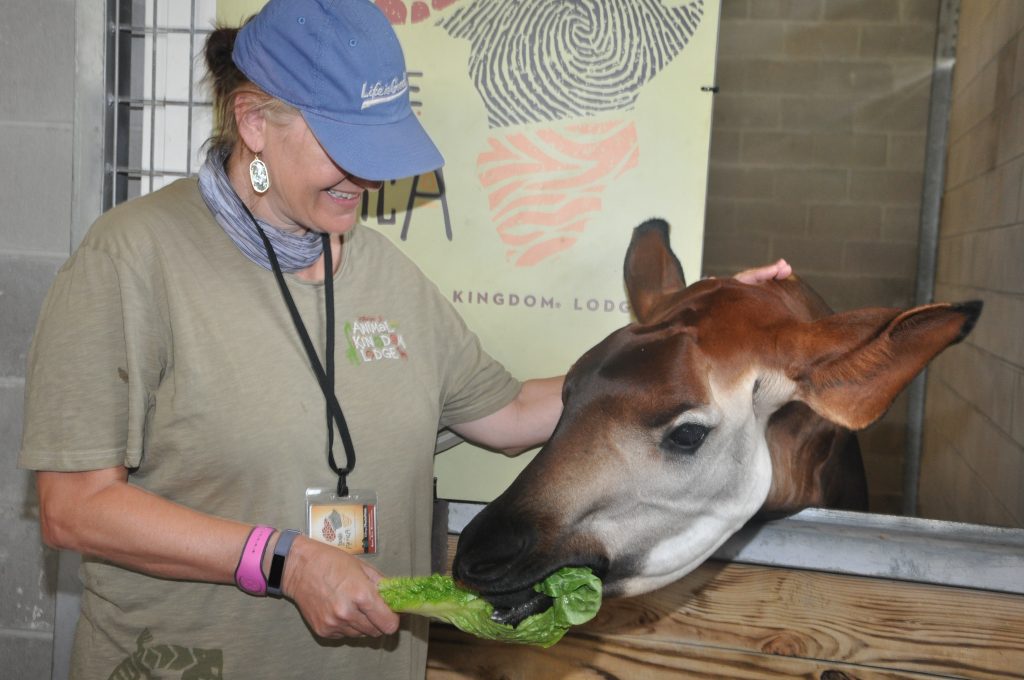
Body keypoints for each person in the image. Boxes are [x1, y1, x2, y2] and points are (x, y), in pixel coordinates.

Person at [19, 1, 791, 678]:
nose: (367, 176)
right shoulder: (132, 260)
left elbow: (513, 414)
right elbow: (75, 508)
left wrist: (689, 333)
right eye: (342, 143)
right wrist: (282, 561)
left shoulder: (385, 273)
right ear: (254, 122)